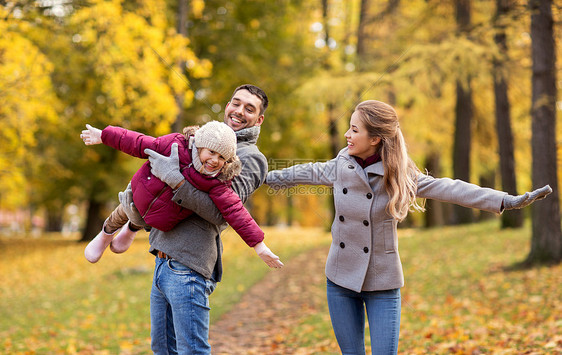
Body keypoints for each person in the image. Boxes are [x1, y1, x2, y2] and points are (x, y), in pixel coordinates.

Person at [265, 99, 552, 355]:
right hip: (340, 280)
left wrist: (505, 200)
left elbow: (451, 189)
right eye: (349, 128)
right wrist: (254, 176)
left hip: (383, 282)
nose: (347, 135)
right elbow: (297, 173)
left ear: (375, 138)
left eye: (354, 130)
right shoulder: (339, 167)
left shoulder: (401, 175)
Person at [118, 84, 275, 354]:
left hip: (189, 265)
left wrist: (176, 180)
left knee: (191, 351)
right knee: (163, 349)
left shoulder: (250, 158)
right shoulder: (203, 139)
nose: (239, 111)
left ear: (259, 120)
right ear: (227, 105)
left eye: (249, 109)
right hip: (162, 258)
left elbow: (220, 213)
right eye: (235, 103)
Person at [81, 120, 282, 269]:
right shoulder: (174, 145)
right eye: (211, 152)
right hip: (141, 192)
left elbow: (235, 211)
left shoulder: (217, 180)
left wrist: (259, 245)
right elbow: (139, 142)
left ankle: (131, 231)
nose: (214, 160)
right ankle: (105, 234)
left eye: (222, 157)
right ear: (201, 145)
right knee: (123, 210)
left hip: (158, 217)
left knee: (139, 219)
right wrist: (104, 135)